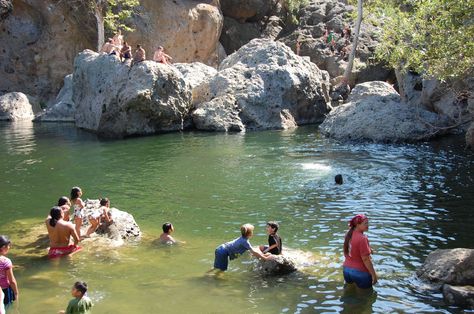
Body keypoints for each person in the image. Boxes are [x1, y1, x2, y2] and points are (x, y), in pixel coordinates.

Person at [343, 214, 378, 289]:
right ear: (358, 225)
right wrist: (374, 275)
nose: (368, 225)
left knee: (349, 292)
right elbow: (366, 259)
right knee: (365, 298)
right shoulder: (362, 238)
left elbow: (351, 248)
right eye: (365, 223)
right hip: (360, 273)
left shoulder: (347, 234)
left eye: (368, 223)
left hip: (346, 270)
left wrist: (369, 250)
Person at [0, 236, 19, 309]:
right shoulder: (5, 261)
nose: (9, 248)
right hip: (5, 290)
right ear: (3, 247)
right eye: (8, 246)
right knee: (7, 308)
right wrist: (16, 293)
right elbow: (12, 281)